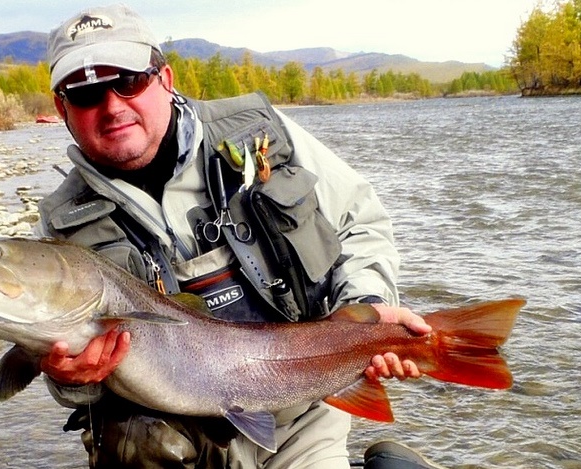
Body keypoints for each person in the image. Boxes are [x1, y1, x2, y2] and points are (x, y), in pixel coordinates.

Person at [35, 4, 437, 468]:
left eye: (129, 81)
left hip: (302, 412)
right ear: (61, 107)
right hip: (167, 442)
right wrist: (70, 378)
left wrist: (366, 309)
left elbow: (360, 218)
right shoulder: (57, 230)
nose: (112, 106)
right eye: (86, 94)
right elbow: (54, 364)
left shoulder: (264, 136)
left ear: (164, 79)